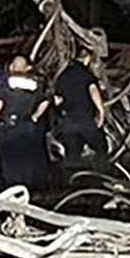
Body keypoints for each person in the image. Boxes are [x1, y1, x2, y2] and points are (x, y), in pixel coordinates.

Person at [0, 46, 54, 194]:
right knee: (30, 155)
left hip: (10, 126)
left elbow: (0, 102)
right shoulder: (36, 83)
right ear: (27, 68)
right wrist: (35, 116)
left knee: (11, 158)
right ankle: (32, 187)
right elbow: (45, 101)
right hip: (29, 125)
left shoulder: (7, 83)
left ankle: (15, 187)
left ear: (12, 66)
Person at [47, 47, 108, 176]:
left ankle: (72, 180)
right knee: (101, 147)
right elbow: (93, 90)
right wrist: (101, 110)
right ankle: (101, 177)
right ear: (87, 58)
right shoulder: (86, 74)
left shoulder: (62, 76)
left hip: (68, 121)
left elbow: (57, 100)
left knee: (73, 153)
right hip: (85, 119)